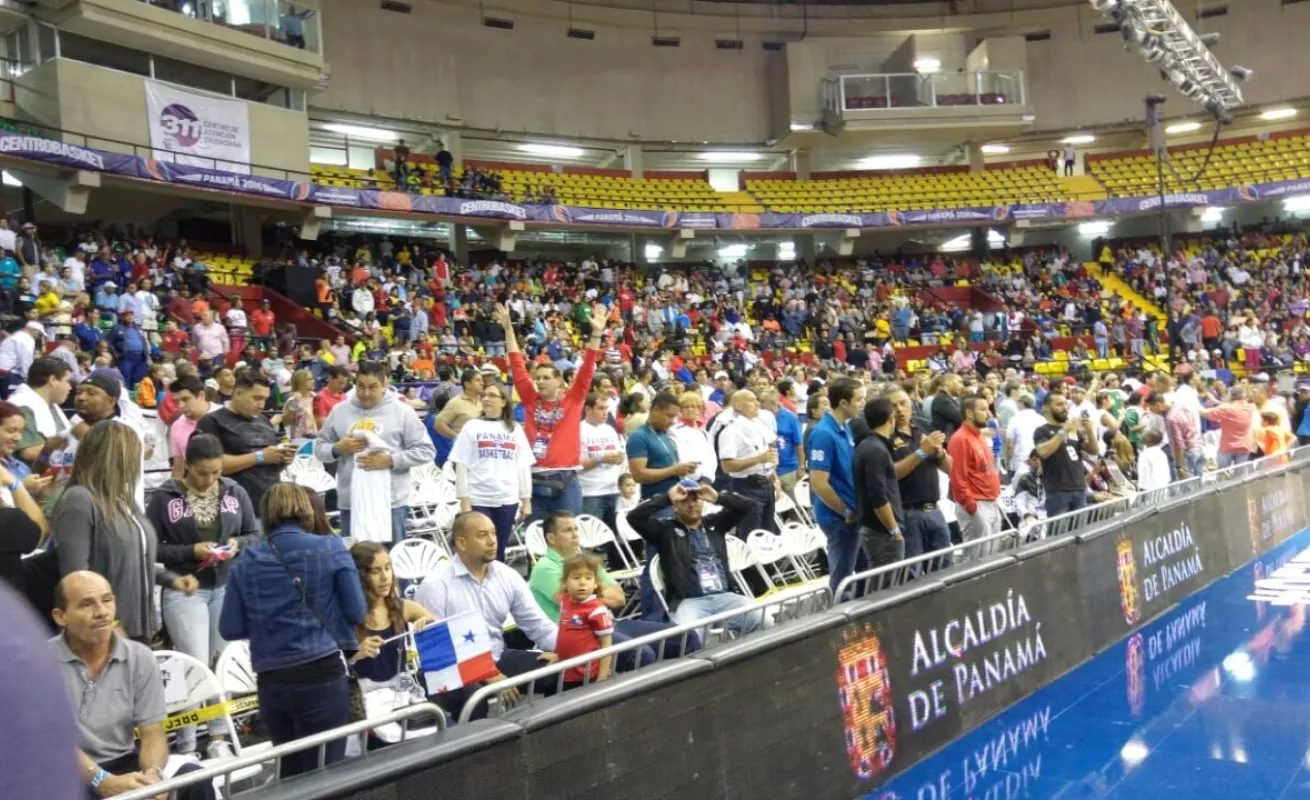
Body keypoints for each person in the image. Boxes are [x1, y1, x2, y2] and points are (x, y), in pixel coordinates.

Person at [219, 483, 367, 779]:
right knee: (326, 777)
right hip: (321, 675)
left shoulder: (246, 561)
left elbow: (230, 628)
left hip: (271, 682)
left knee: (290, 778)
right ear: (306, 511)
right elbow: (356, 612)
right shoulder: (330, 547)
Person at [145, 433, 260, 759]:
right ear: (185, 466)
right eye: (201, 473)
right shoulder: (165, 497)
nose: (210, 480)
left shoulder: (234, 491)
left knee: (219, 663)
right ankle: (185, 745)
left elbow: (253, 533)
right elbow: (151, 547)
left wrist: (238, 545)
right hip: (185, 588)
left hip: (225, 585)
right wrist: (189, 551)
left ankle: (218, 737)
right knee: (192, 665)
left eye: (215, 472)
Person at [52, 572, 215, 800]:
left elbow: (152, 733)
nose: (101, 612)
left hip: (123, 763)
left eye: (107, 600)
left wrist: (153, 777)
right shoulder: (38, 663)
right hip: (64, 773)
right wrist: (102, 781)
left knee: (194, 779)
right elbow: (52, 745)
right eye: (86, 604)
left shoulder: (140, 657)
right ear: (61, 616)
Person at [413, 511, 562, 718]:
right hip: (453, 668)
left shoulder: (506, 574)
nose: (492, 541)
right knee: (475, 698)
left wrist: (568, 649)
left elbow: (538, 625)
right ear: (462, 543)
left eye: (493, 533)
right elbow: (437, 652)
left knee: (562, 669)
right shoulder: (435, 585)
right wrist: (488, 674)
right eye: (482, 535)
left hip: (496, 657)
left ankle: (551, 732)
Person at [51, 421, 189, 643]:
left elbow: (133, 562)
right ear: (115, 459)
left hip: (138, 627)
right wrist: (111, 626)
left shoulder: (123, 501)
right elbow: (76, 578)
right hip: (104, 634)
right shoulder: (79, 500)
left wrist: (170, 579)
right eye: (134, 456)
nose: (138, 464)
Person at [499, 304, 604, 521]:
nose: (541, 382)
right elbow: (518, 366)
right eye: (538, 378)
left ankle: (557, 558)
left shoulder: (573, 399)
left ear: (559, 381)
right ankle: (548, 558)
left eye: (547, 378)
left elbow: (587, 369)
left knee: (567, 539)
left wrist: (596, 334)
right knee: (537, 540)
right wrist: (508, 329)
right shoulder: (530, 398)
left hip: (566, 480)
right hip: (534, 480)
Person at [316, 360, 435, 543]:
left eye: (373, 387)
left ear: (384, 384)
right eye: (360, 387)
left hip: (391, 503)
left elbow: (426, 450)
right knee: (355, 563)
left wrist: (391, 460)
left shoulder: (402, 412)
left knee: (391, 563)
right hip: (352, 502)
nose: (366, 393)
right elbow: (319, 449)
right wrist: (337, 448)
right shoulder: (340, 411)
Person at [627, 480, 764, 632]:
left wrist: (718, 497)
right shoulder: (665, 530)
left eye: (695, 499)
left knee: (765, 620)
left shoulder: (714, 523)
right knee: (688, 638)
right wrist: (666, 498)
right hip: (690, 602)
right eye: (685, 501)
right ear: (675, 505)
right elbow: (634, 518)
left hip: (725, 597)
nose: (692, 505)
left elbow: (749, 505)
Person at [448, 381, 534, 559]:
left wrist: (526, 499)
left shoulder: (515, 429)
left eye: (492, 395)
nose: (486, 399)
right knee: (478, 549)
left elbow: (523, 466)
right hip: (478, 497)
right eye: (484, 395)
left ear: (504, 402)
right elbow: (461, 465)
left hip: (507, 498)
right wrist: (464, 499)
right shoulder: (471, 427)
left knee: (498, 548)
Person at [348, 541, 436, 702]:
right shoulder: (346, 616)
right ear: (359, 576)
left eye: (388, 568)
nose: (385, 577)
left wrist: (428, 624)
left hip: (402, 694)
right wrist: (354, 656)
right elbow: (333, 665)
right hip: (365, 699)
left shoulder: (403, 607)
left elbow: (441, 630)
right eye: (376, 571)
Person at [197, 373, 296, 509]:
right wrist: (259, 457)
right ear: (238, 394)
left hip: (271, 506)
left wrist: (282, 459)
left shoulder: (263, 420)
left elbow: (270, 462)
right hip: (233, 508)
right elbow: (210, 466)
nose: (262, 405)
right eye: (257, 398)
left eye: (265, 399)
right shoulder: (211, 421)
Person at [806, 378, 865, 591]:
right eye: (859, 399)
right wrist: (845, 510)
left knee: (860, 576)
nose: (862, 404)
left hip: (851, 514)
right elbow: (819, 484)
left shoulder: (844, 427)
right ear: (843, 403)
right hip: (838, 517)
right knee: (843, 581)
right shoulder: (823, 433)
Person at [885, 387, 953, 567]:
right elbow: (891, 474)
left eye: (903, 403)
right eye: (893, 405)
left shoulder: (923, 425)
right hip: (907, 513)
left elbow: (950, 468)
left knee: (945, 567)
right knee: (912, 573)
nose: (899, 409)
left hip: (934, 510)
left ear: (911, 404)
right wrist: (922, 452)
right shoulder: (885, 435)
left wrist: (940, 454)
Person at [852, 397, 905, 571]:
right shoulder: (875, 449)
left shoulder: (869, 445)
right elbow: (878, 496)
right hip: (881, 531)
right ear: (891, 418)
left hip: (877, 529)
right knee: (887, 586)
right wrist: (894, 530)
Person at [947, 395, 1003, 558]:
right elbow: (958, 478)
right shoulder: (960, 439)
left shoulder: (979, 436)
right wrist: (971, 506)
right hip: (976, 503)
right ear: (970, 413)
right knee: (975, 559)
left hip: (991, 500)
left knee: (991, 557)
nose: (989, 414)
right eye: (983, 409)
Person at [717, 389, 779, 535]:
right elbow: (727, 466)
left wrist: (775, 479)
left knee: (768, 535)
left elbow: (768, 454)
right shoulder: (731, 430)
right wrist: (758, 459)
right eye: (752, 400)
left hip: (767, 484)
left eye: (757, 400)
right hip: (747, 488)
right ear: (739, 406)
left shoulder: (759, 425)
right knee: (752, 535)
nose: (757, 404)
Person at [554, 553, 616, 687]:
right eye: (576, 577)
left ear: (595, 584)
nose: (582, 582)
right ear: (565, 581)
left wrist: (602, 676)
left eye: (588, 578)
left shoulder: (597, 610)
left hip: (587, 675)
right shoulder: (565, 600)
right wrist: (556, 655)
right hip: (565, 672)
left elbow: (606, 644)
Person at [1032, 393, 1097, 518]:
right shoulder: (1042, 431)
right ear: (1047, 408)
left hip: (1079, 487)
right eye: (1059, 404)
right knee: (1059, 531)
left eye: (1065, 404)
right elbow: (1043, 452)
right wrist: (1064, 431)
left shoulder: (1073, 430)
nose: (1064, 407)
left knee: (1080, 532)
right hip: (1058, 489)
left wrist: (1089, 431)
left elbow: (1093, 450)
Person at [627, 391, 697, 500]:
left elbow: (668, 465)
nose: (673, 421)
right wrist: (674, 470)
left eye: (674, 417)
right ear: (655, 410)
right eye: (669, 416)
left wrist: (684, 468)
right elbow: (638, 475)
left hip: (675, 499)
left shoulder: (665, 434)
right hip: (656, 502)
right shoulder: (639, 436)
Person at [10, 356, 72, 473]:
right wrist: (77, 447)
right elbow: (28, 452)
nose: (70, 387)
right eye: (67, 381)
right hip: (30, 480)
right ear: (52, 380)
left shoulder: (51, 405)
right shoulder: (22, 407)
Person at [578, 392, 626, 533]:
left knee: (615, 539)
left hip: (613, 489)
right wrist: (600, 459)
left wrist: (619, 458)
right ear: (588, 409)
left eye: (607, 409)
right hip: (591, 492)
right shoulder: (578, 430)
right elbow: (577, 464)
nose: (605, 413)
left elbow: (619, 455)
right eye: (601, 408)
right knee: (590, 538)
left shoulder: (610, 430)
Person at [167, 376, 221, 479]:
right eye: (177, 401)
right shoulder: (177, 426)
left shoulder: (223, 416)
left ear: (201, 395)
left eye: (185, 399)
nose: (181, 406)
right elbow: (179, 466)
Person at [761, 387, 805, 498]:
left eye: (762, 401)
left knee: (794, 506)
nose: (759, 404)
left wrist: (801, 466)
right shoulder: (759, 418)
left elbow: (799, 444)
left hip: (788, 469)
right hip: (768, 471)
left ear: (773, 402)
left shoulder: (790, 417)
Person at [1150, 391, 1205, 479]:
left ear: (1158, 405)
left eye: (1152, 409)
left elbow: (1179, 445)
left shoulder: (1171, 419)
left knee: (1189, 489)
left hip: (1187, 455)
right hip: (1199, 447)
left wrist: (1178, 466)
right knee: (1201, 485)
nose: (1153, 413)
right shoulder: (1182, 405)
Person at [1199, 386, 1257, 468]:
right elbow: (1232, 406)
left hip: (1227, 447)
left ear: (1231, 396)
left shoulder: (1226, 409)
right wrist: (1217, 401)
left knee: (1223, 476)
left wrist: (1194, 403)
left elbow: (1205, 413)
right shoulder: (1250, 407)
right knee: (1241, 477)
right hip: (1245, 446)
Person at [280, 367, 318, 441]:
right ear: (301, 382)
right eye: (309, 379)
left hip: (317, 438)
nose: (313, 381)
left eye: (312, 379)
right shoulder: (292, 400)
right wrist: (294, 403)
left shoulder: (316, 397)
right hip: (299, 440)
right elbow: (286, 422)